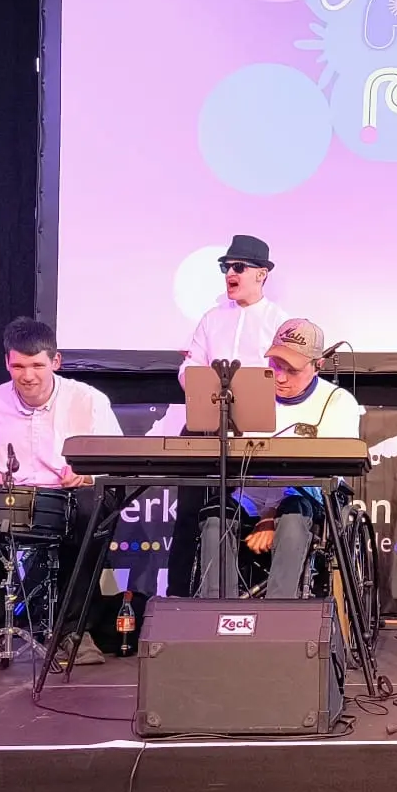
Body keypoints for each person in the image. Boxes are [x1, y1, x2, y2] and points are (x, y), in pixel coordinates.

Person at [0, 318, 125, 672]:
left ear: (55, 362)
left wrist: (87, 475)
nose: (27, 376)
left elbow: (117, 464)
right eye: (18, 366)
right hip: (10, 498)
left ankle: (72, 632)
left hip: (67, 497)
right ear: (6, 362)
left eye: (36, 366)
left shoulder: (89, 401)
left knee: (93, 508)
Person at [195, 318, 364, 599]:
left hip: (306, 498)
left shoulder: (337, 402)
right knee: (215, 516)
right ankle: (219, 609)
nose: (281, 377)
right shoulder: (247, 397)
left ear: (318, 365)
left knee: (293, 514)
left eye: (291, 370)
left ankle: (279, 611)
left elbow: (330, 473)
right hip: (251, 496)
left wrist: (271, 514)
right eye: (275, 365)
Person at [167, 235, 285, 598]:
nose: (230, 274)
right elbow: (189, 367)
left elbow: (284, 377)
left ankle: (234, 595)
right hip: (207, 426)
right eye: (225, 267)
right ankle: (177, 599)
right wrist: (200, 381)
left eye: (238, 267)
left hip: (256, 433)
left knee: (232, 514)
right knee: (189, 514)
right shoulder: (211, 319)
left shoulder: (279, 321)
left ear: (262, 274)